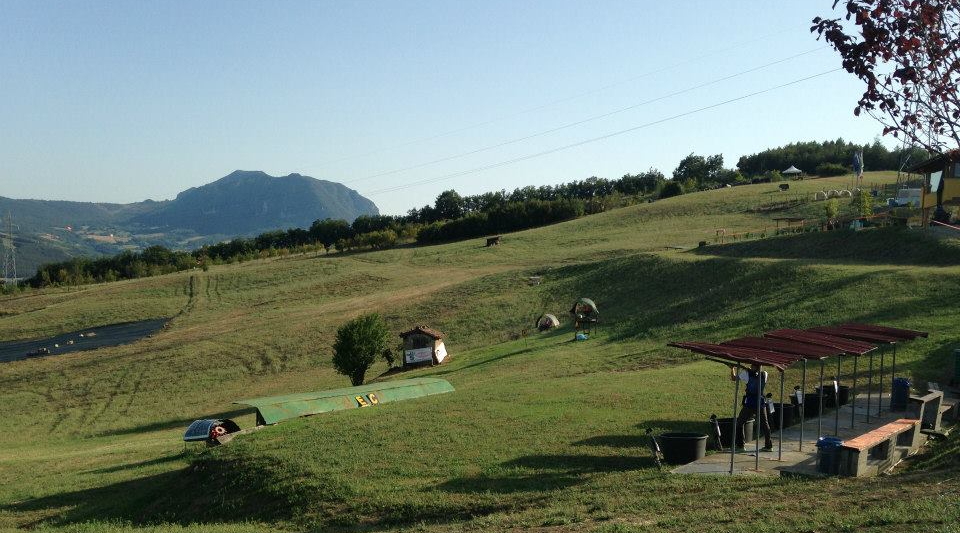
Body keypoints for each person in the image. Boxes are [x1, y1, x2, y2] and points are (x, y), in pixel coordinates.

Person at [730, 363, 773, 451]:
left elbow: (734, 378)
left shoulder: (746, 373)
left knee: (739, 423)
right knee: (765, 425)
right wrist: (749, 370)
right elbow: (757, 373)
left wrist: (732, 369)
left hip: (750, 404)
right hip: (761, 403)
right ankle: (769, 446)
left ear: (754, 367)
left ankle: (740, 446)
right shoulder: (764, 374)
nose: (751, 366)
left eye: (752, 365)